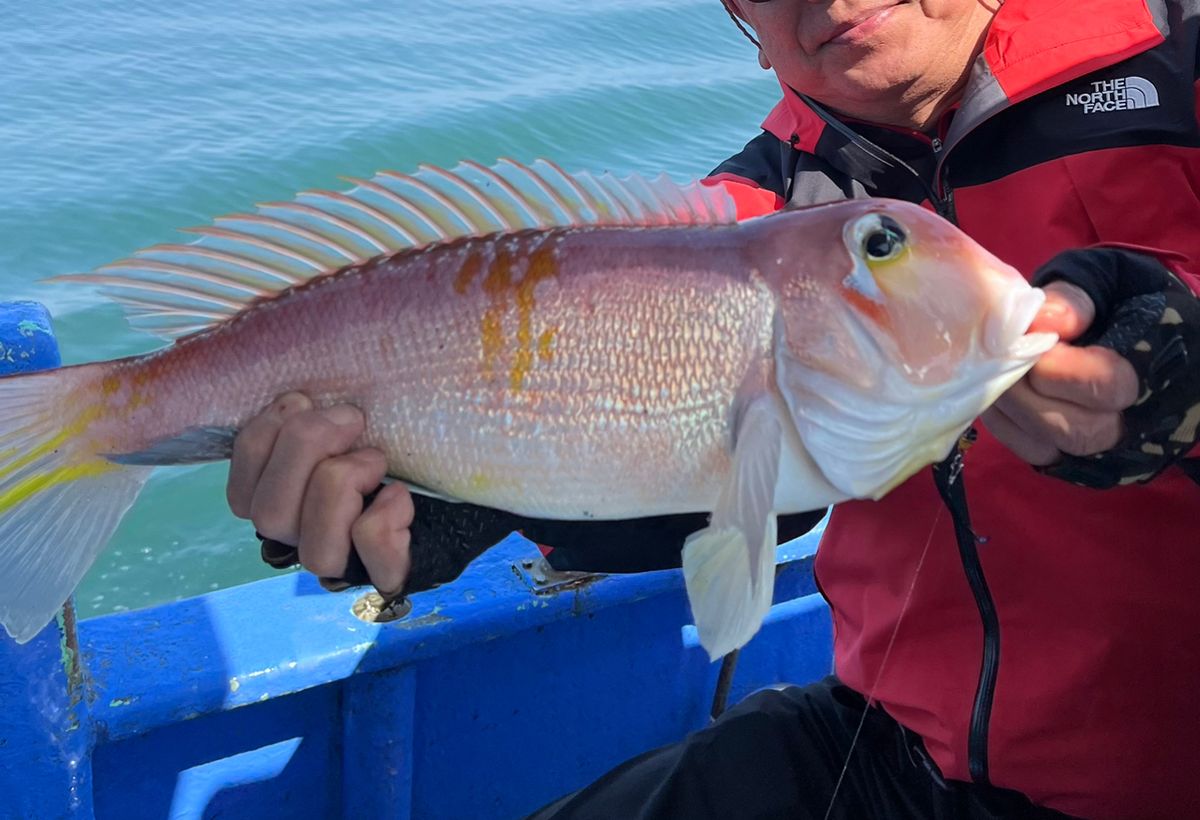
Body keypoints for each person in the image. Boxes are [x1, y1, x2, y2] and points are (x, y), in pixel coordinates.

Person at [227, 0, 1200, 816]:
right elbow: (727, 476)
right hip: (893, 748)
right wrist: (483, 494)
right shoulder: (737, 223)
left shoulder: (1173, 49)